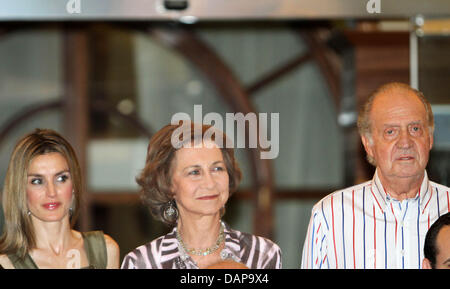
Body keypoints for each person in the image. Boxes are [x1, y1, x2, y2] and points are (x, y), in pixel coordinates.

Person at [301, 82, 450, 269]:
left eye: (415, 129)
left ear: (430, 138)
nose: (405, 142)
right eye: (391, 132)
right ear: (368, 144)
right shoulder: (330, 216)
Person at [121, 122, 282, 269]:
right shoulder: (143, 263)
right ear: (167, 184)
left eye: (217, 169)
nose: (210, 183)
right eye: (194, 172)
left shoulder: (262, 254)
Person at [0, 129, 119, 269]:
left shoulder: (104, 250)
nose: (52, 192)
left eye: (61, 178)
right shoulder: (5, 262)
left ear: (74, 184)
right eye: (37, 181)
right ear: (20, 190)